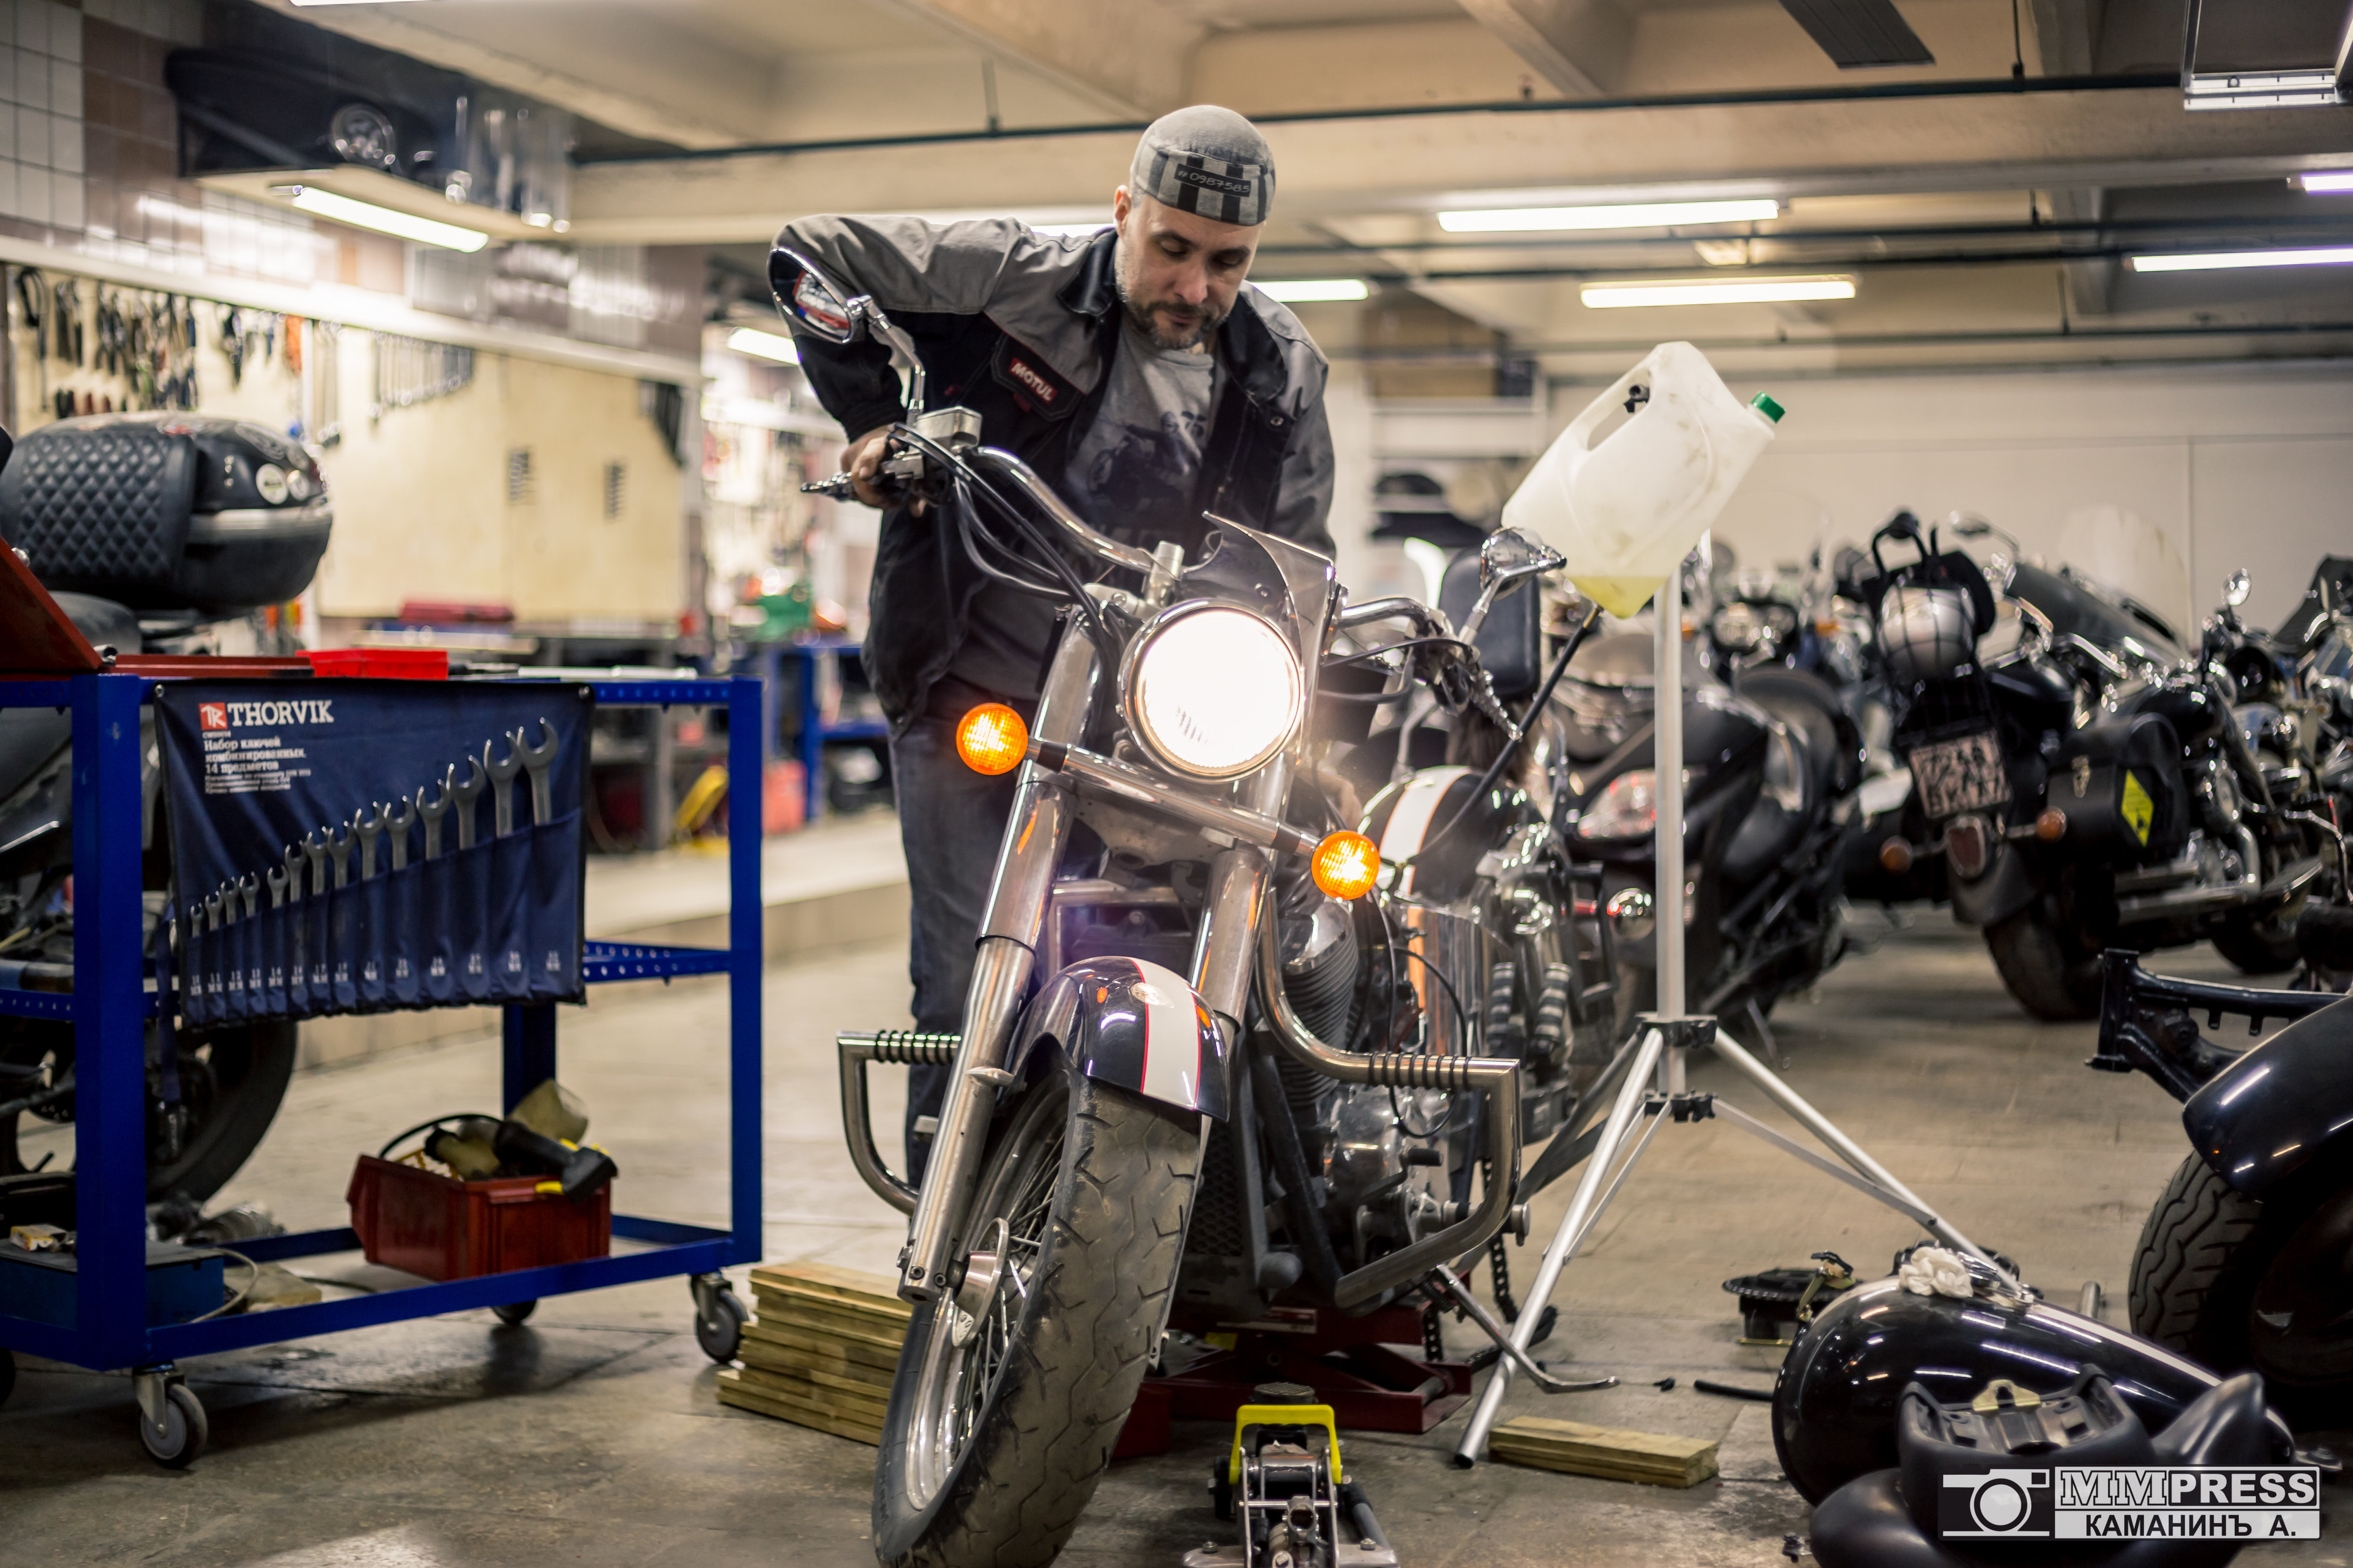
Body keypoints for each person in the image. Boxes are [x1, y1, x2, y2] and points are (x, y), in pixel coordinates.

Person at [774, 105, 1336, 1180]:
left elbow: (1300, 570)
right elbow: (810, 256)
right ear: (1122, 212)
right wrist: (869, 421)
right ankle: (948, 1241)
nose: (1193, 287)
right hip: (975, 687)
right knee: (966, 979)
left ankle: (1187, 1220)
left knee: (1209, 962)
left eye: (1228, 263)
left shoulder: (1281, 372)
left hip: (1167, 725)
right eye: (1170, 248)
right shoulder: (1008, 277)